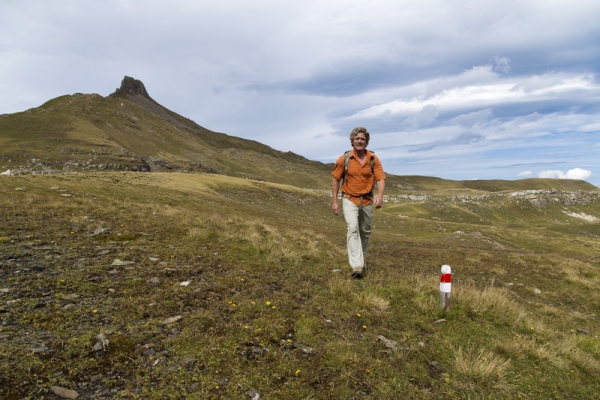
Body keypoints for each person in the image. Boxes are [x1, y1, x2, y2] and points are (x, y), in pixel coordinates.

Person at [331, 127, 385, 278]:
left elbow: (381, 178)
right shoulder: (344, 159)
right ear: (352, 141)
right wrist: (334, 201)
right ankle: (357, 265)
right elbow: (335, 179)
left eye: (362, 139)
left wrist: (379, 196)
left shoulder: (373, 159)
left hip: (367, 199)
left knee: (365, 232)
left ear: (366, 141)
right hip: (349, 198)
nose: (359, 141)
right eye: (357, 139)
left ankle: (362, 259)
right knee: (353, 228)